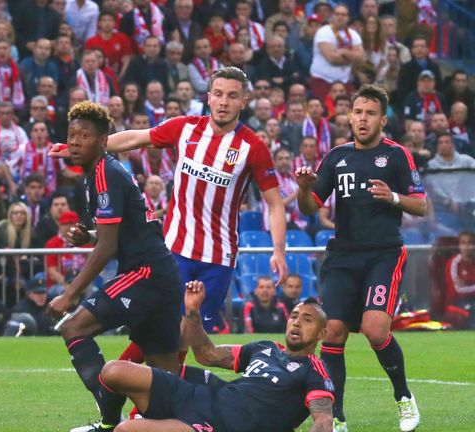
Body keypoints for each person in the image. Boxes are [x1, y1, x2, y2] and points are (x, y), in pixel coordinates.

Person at [52, 67, 288, 336]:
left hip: (218, 258)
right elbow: (135, 138)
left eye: (233, 96)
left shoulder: (253, 147)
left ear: (244, 102)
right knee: (161, 330)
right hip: (174, 253)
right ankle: (126, 375)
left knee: (189, 337)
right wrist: (76, 148)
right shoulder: (185, 128)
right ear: (208, 97)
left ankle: (136, 375)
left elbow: (275, 204)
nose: (224, 102)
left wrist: (278, 250)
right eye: (219, 94)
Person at [47, 101, 182, 432]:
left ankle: (109, 419)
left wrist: (70, 294)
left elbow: (107, 247)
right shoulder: (102, 172)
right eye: (72, 135)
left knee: (73, 327)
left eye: (84, 135)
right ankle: (192, 423)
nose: (75, 142)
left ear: (104, 140)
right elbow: (117, 232)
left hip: (145, 273)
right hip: (161, 275)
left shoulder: (105, 173)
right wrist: (89, 234)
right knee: (165, 378)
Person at [295, 84, 424, 432]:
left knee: (374, 328)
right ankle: (336, 419)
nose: (362, 119)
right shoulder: (337, 156)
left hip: (383, 255)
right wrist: (306, 189)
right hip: (342, 256)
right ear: (349, 117)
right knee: (332, 331)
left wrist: (394, 196)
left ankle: (403, 397)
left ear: (383, 119)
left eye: (370, 113)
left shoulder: (397, 155)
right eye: (358, 112)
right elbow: (310, 207)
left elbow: (421, 204)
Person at [99, 280, 334, 432]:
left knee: (126, 431)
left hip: (223, 425)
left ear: (322, 333)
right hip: (202, 396)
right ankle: (105, 424)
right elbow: (206, 354)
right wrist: (192, 313)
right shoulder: (265, 347)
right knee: (113, 371)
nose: (296, 322)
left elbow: (323, 421)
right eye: (294, 316)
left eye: (307, 319)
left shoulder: (314, 369)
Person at [443, 231, 475, 329]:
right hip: (457, 304)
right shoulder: (454, 263)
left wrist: (467, 286)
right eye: (463, 243)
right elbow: (457, 290)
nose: (466, 247)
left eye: (470, 243)